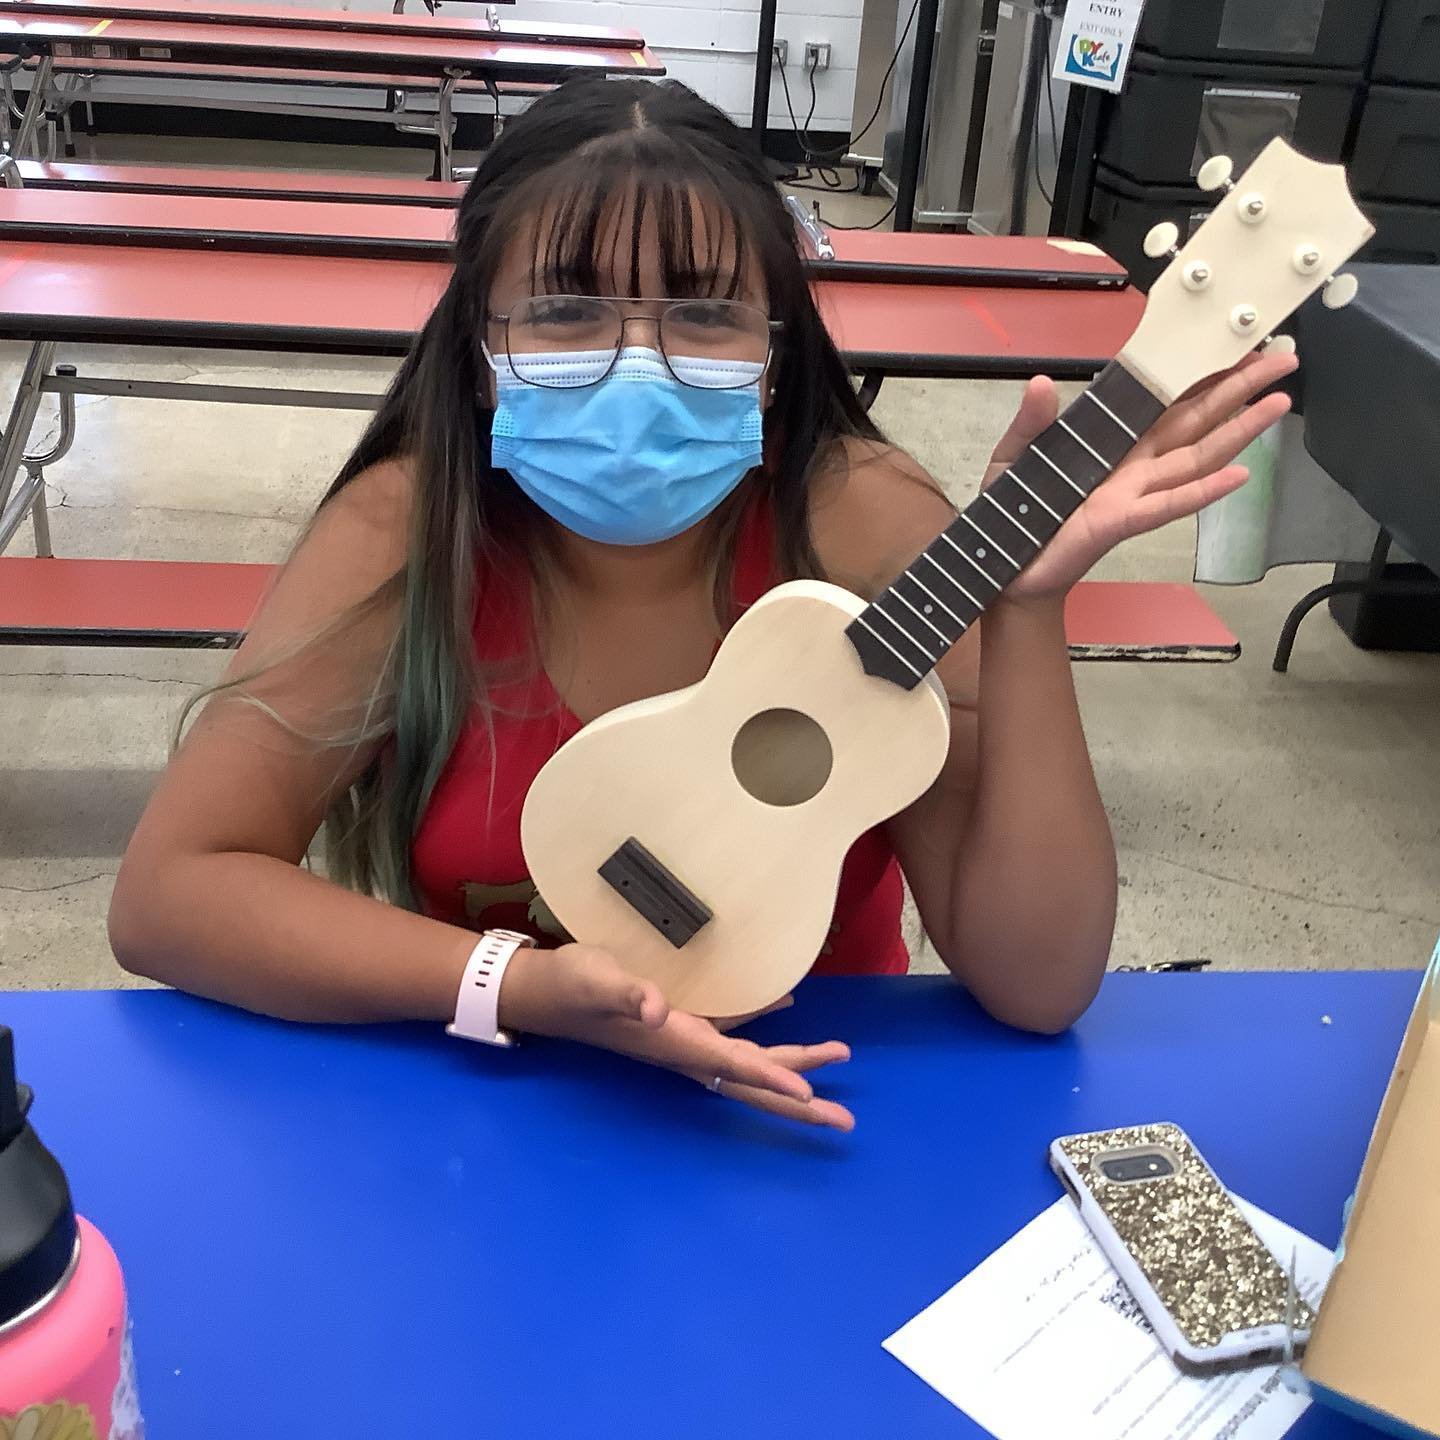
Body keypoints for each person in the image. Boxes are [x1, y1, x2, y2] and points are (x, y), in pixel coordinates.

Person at [109, 78, 1296, 1131]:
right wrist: (520, 989)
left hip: (818, 1093)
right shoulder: (411, 533)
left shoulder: (860, 525)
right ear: (478, 347)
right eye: (566, 310)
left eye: (705, 312)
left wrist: (1025, 612)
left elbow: (1038, 984)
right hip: (498, 1097)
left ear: (774, 357)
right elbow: (170, 896)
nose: (640, 360)